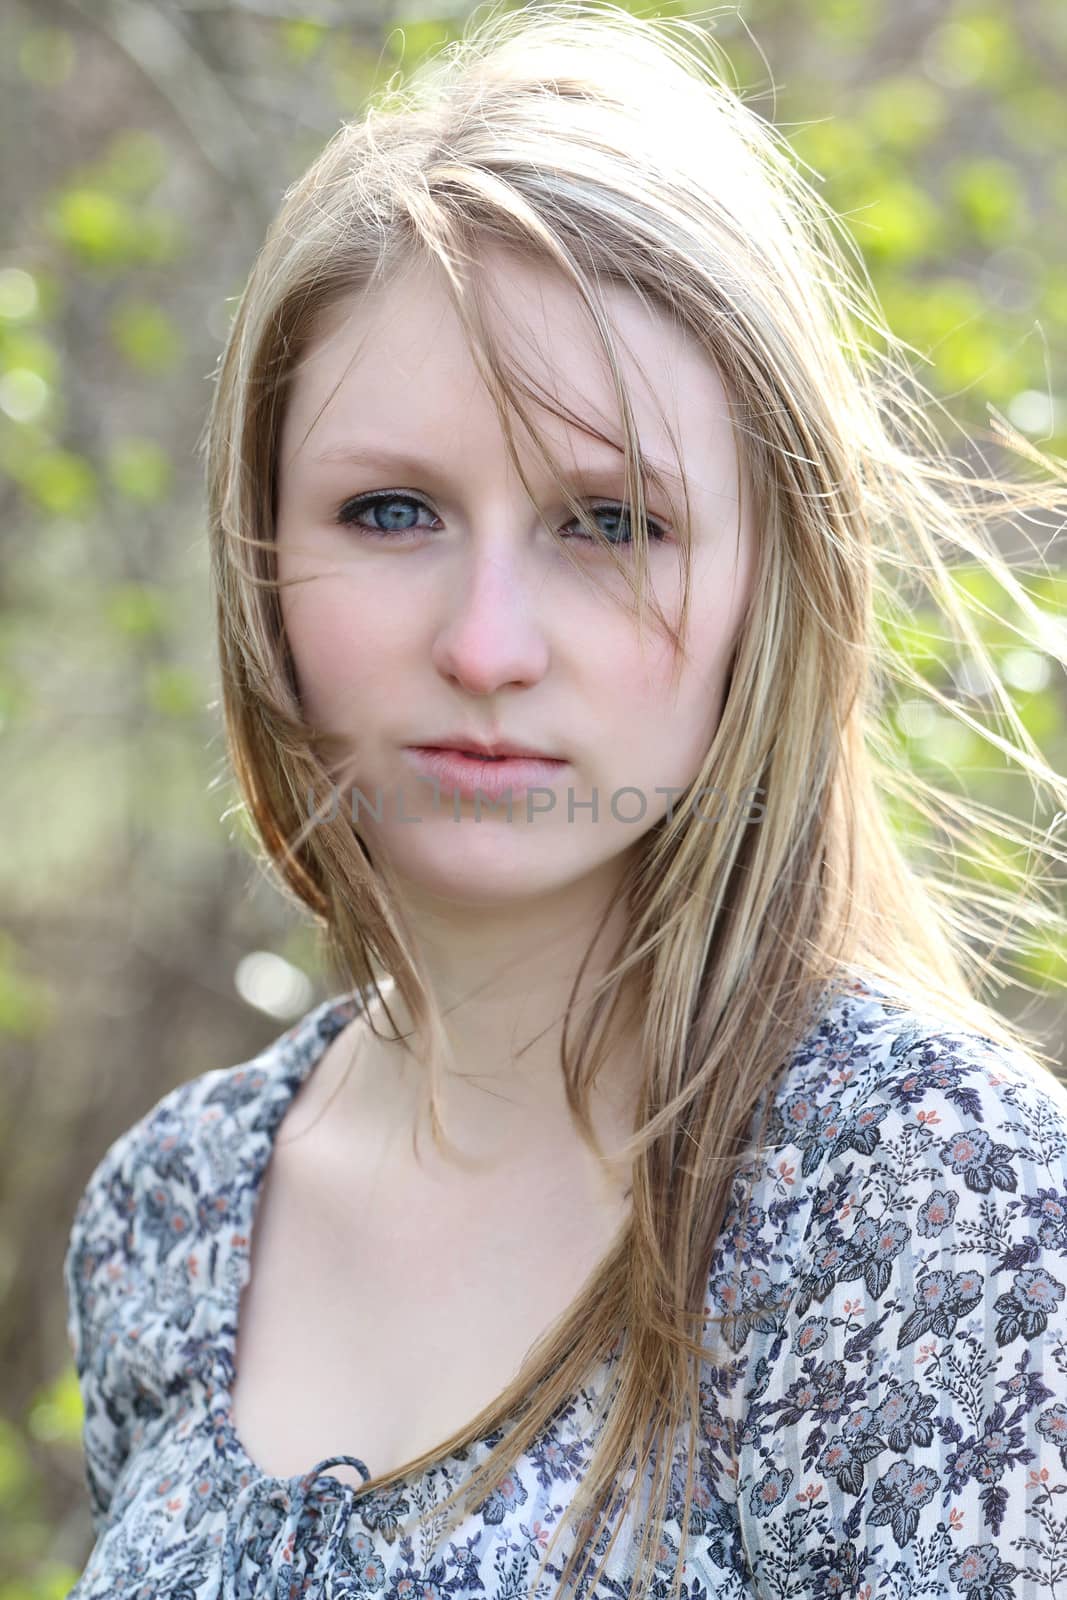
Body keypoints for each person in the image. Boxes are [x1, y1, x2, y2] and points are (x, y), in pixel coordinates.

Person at [63, 3, 1067, 1597]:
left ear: (774, 584)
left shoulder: (949, 1210)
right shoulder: (173, 1215)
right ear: (260, 550)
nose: (483, 646)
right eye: (391, 511)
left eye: (609, 522)